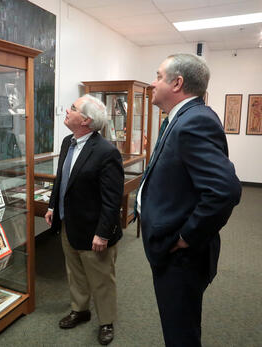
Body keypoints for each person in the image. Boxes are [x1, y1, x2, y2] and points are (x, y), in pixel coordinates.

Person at [136, 54, 241, 346]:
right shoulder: (181, 117)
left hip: (181, 255)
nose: (153, 83)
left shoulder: (194, 121)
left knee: (181, 333)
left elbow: (225, 190)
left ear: (177, 83)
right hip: (168, 244)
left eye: (158, 76)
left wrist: (186, 236)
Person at [45, 94, 124, 345]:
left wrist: (103, 233)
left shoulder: (106, 152)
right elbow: (62, 179)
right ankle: (81, 310)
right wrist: (52, 206)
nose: (67, 111)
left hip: (94, 232)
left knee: (101, 278)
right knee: (75, 272)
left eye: (72, 108)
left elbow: (112, 200)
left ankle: (106, 321)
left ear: (86, 120)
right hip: (69, 223)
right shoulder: (68, 142)